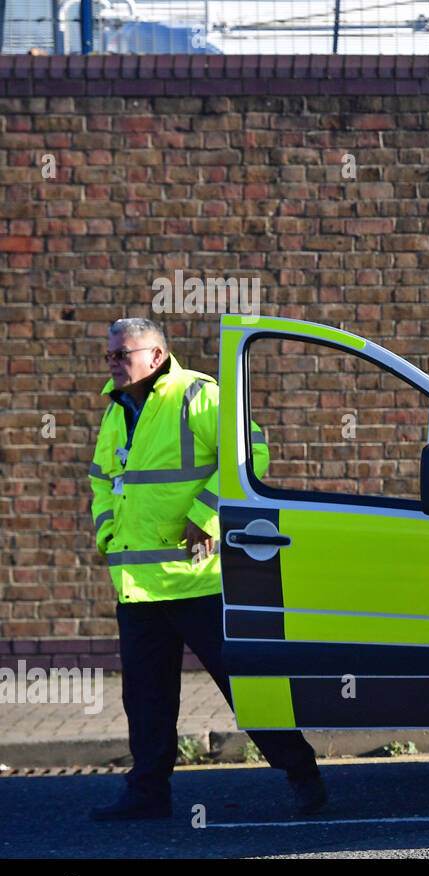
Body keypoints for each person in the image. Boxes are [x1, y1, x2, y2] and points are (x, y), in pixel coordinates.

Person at [88, 317, 327, 820]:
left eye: (120, 355)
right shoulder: (116, 410)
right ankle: (148, 793)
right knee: (146, 702)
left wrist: (205, 516)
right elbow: (102, 480)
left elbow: (251, 452)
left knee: (244, 688)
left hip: (200, 581)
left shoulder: (197, 395)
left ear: (155, 356)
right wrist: (108, 535)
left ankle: (302, 774)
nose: (111, 364)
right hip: (139, 588)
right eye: (109, 355)